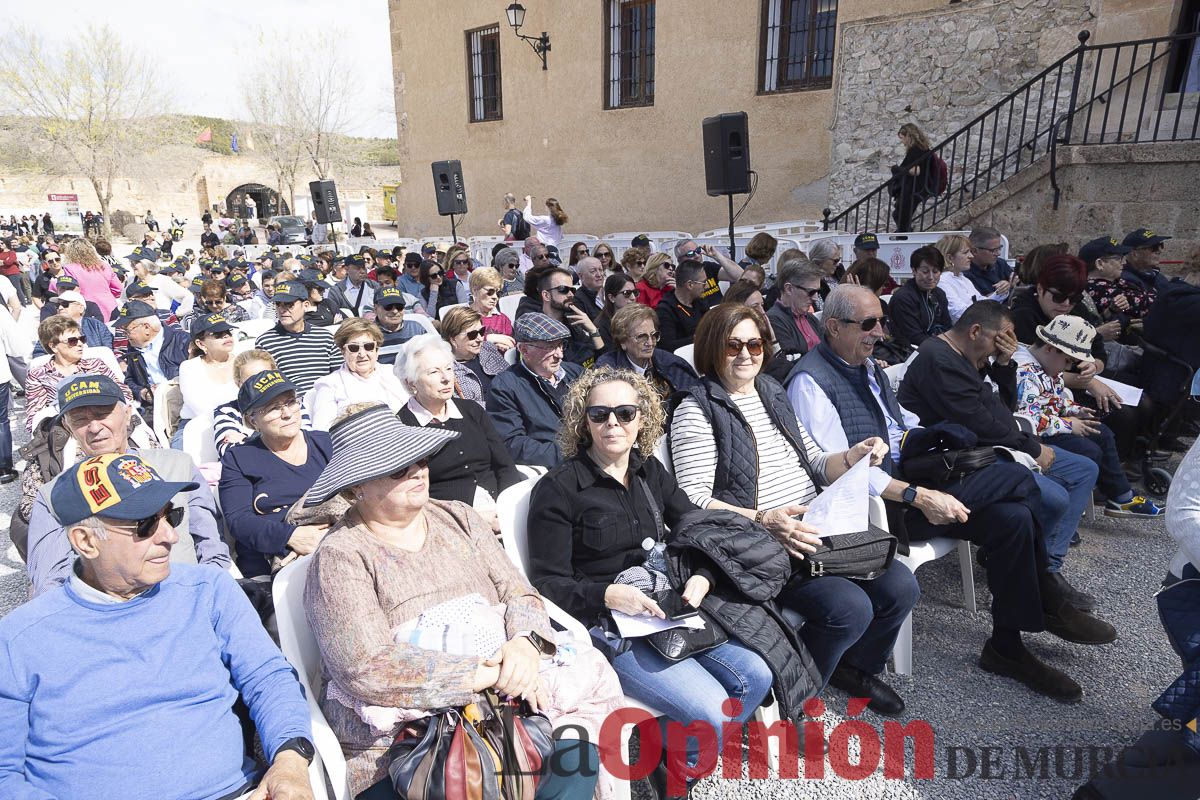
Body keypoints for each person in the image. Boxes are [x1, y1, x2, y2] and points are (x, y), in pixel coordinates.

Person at [790, 287, 1114, 701]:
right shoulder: (811, 383)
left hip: (910, 478)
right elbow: (839, 474)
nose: (879, 332)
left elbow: (898, 424)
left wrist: (924, 437)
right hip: (879, 508)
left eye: (881, 321)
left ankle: (1006, 646)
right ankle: (1047, 592)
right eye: (868, 324)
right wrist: (918, 496)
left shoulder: (864, 366)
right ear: (833, 327)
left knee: (1013, 519)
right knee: (1020, 480)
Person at [301, 403, 612, 799]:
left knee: (577, 760)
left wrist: (525, 645)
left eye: (419, 458)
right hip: (407, 747)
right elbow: (365, 667)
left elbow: (520, 593)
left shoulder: (460, 518)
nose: (417, 470)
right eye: (397, 467)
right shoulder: (341, 555)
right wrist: (482, 675)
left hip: (506, 706)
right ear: (355, 488)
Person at [527, 368, 782, 797]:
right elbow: (547, 583)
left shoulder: (650, 473)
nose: (613, 423)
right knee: (713, 714)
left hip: (670, 608)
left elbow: (697, 533)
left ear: (641, 420)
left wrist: (703, 574)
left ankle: (673, 760)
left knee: (757, 675)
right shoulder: (559, 489)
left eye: (625, 413)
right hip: (608, 625)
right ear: (582, 421)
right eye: (600, 413)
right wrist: (606, 593)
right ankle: (678, 773)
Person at [1, 453, 314, 800]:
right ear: (85, 541)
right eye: (145, 524)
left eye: (171, 515)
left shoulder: (208, 591)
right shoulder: (18, 641)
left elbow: (269, 678)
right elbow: (4, 774)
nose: (169, 536)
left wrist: (290, 761)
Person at [671, 302, 917, 714]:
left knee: (901, 586)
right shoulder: (696, 410)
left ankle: (852, 667)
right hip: (759, 546)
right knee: (849, 608)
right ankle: (800, 697)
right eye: (733, 346)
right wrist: (766, 520)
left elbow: (817, 462)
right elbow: (692, 500)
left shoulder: (771, 391)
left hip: (816, 528)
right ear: (713, 348)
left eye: (754, 343)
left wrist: (854, 455)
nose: (747, 354)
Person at [896, 301, 1107, 612]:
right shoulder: (940, 360)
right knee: (1054, 498)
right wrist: (1032, 448)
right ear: (976, 331)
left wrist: (1005, 364)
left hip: (992, 445)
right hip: (955, 460)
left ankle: (1045, 568)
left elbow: (1002, 411)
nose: (1002, 347)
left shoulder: (969, 357)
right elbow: (979, 424)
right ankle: (1037, 574)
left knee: (1083, 469)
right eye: (1000, 339)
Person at [25, 375, 232, 595]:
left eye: (102, 414)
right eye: (79, 419)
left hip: (190, 594)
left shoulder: (177, 465)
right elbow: (50, 581)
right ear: (67, 426)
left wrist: (207, 597)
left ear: (127, 413)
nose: (94, 427)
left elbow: (212, 547)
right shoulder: (55, 495)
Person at [1015, 315, 1162, 517]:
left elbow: (1054, 398)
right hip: (1034, 435)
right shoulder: (1025, 372)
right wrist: (1069, 424)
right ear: (1049, 348)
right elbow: (1028, 417)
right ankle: (1060, 511)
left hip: (1054, 424)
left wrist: (1075, 410)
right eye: (1068, 361)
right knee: (1089, 451)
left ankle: (1120, 497)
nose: (1068, 368)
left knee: (1102, 432)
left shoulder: (1049, 365)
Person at [219, 370, 334, 578]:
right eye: (274, 408)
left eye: (291, 402)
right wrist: (290, 537)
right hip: (271, 562)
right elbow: (239, 520)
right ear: (253, 420)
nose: (287, 413)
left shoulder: (326, 443)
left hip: (336, 543)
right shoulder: (239, 459)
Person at [396, 336, 522, 520]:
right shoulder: (404, 426)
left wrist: (508, 509)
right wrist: (475, 520)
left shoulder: (472, 411)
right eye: (434, 372)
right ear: (410, 382)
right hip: (449, 520)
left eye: (448, 368)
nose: (447, 378)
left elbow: (504, 466)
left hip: (501, 509)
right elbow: (413, 494)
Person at [487, 312, 585, 468]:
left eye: (560, 345)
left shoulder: (576, 373)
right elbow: (513, 444)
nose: (559, 355)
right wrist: (573, 454)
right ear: (524, 350)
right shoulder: (505, 386)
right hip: (557, 469)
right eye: (551, 347)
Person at [25, 316, 131, 435]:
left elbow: (124, 393)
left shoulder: (96, 365)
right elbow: (35, 417)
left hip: (105, 423)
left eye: (82, 339)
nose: (80, 344)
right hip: (66, 433)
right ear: (53, 346)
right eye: (72, 341)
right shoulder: (39, 375)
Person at [308, 318, 409, 430]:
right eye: (354, 348)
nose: (362, 354)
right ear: (343, 351)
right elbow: (322, 430)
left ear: (377, 349)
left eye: (368, 346)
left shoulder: (393, 373)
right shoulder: (329, 385)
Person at [212, 350, 313, 458]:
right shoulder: (226, 411)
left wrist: (246, 439)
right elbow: (230, 454)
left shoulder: (292, 403)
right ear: (238, 383)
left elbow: (307, 440)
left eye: (266, 377)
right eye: (251, 381)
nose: (260, 385)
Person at [595, 304, 700, 400]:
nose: (650, 343)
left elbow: (695, 396)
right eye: (641, 337)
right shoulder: (607, 370)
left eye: (654, 335)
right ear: (622, 341)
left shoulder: (671, 363)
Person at [255, 280, 341, 392]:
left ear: (305, 305)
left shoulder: (325, 337)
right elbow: (267, 386)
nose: (282, 309)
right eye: (278, 304)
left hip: (327, 398)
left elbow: (339, 375)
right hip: (290, 403)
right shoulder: (265, 342)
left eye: (289, 304)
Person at [176, 313, 238, 447]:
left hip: (239, 424)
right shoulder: (189, 368)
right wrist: (228, 426)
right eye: (217, 334)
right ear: (201, 343)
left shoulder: (242, 362)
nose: (226, 336)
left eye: (228, 332)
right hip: (197, 426)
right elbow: (199, 407)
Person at [117, 300, 191, 408]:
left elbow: (199, 374)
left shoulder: (182, 341)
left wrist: (168, 388)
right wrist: (142, 392)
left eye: (127, 331)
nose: (125, 336)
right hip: (153, 406)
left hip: (184, 401)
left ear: (146, 328)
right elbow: (130, 380)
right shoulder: (133, 348)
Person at [764, 259, 825, 382]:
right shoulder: (773, 320)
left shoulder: (810, 318)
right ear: (789, 289)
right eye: (811, 292)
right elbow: (788, 366)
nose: (815, 297)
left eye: (818, 291)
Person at [887, 245, 951, 353]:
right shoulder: (903, 298)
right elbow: (914, 336)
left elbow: (948, 326)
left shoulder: (939, 294)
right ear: (914, 271)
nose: (930, 277)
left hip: (937, 346)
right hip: (911, 351)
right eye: (925, 272)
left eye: (935, 272)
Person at [439, 308, 508, 405]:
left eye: (481, 331)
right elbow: (466, 409)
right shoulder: (446, 370)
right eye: (472, 334)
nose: (480, 338)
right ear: (453, 339)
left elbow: (511, 379)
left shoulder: (487, 349)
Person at [537, 266, 604, 366]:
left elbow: (601, 356)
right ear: (546, 295)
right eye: (563, 289)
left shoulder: (572, 320)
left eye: (572, 290)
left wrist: (593, 330)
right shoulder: (536, 329)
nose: (571, 295)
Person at [60, 237, 122, 321]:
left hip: (87, 310)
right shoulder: (104, 266)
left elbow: (72, 293)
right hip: (110, 307)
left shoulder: (69, 268)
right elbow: (118, 289)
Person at [889, 122, 935, 232]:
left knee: (901, 214)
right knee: (900, 214)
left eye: (902, 138)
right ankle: (904, 232)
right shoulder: (922, 149)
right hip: (917, 187)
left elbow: (916, 171)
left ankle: (904, 234)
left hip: (914, 188)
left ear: (909, 136)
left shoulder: (916, 150)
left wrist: (896, 168)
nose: (902, 142)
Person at [656, 259, 710, 351]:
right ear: (690, 285)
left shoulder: (700, 302)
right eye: (703, 283)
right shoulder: (665, 310)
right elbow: (667, 346)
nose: (707, 286)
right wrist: (698, 339)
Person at [671, 239, 745, 306]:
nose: (697, 256)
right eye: (690, 254)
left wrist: (717, 256)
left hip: (720, 312)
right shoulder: (678, 277)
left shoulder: (708, 267)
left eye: (698, 250)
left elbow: (741, 276)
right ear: (679, 260)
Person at [935, 233, 983, 322]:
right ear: (950, 258)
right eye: (966, 252)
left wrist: (1001, 292)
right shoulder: (942, 280)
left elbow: (981, 300)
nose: (971, 256)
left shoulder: (964, 279)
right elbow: (958, 312)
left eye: (970, 252)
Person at [371, 286, 425, 365]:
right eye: (388, 307)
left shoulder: (416, 329)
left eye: (399, 306)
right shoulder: (368, 334)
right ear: (375, 309)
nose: (395, 311)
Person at [468, 265, 515, 346]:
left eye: (498, 293)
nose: (495, 297)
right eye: (490, 292)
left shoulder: (503, 319)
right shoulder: (463, 317)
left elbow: (513, 344)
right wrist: (489, 338)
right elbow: (463, 344)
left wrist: (507, 346)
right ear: (475, 290)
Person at [964, 227, 1014, 300]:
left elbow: (1015, 282)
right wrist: (1001, 291)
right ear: (974, 251)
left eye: (999, 248)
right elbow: (976, 302)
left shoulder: (1000, 264)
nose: (998, 253)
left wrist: (1011, 284)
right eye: (993, 250)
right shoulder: (965, 274)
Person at [1121, 227, 1172, 295]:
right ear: (1135, 254)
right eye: (1154, 247)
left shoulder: (1157, 276)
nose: (1159, 251)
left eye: (1161, 245)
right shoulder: (1126, 282)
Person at [596, 273, 639, 352]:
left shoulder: (640, 318)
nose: (633, 298)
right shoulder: (602, 326)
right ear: (611, 297)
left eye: (635, 292)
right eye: (627, 293)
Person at [327, 252, 379, 317]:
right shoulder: (336, 291)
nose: (362, 271)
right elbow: (333, 315)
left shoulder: (374, 286)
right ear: (347, 269)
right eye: (357, 268)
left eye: (363, 267)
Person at [807, 239, 844, 307]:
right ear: (820, 260)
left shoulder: (839, 272)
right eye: (835, 261)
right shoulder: (810, 281)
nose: (838, 264)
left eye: (839, 260)